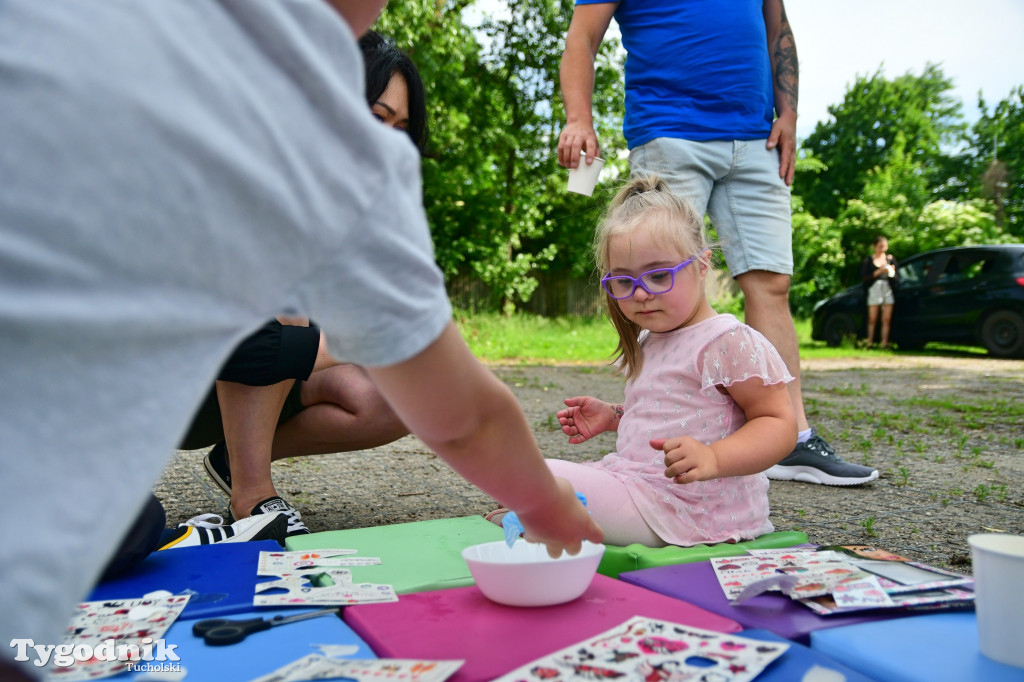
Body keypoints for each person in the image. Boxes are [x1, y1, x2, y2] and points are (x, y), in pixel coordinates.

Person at [0, 2, 601, 680]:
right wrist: (548, 508)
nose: (389, 137)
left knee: (133, 523)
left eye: (402, 127)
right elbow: (461, 415)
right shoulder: (330, 150)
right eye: (380, 119)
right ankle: (246, 489)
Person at [556, 0, 878, 486]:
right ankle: (658, 430)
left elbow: (779, 30)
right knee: (657, 282)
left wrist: (789, 112)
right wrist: (579, 117)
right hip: (669, 129)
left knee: (772, 283)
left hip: (757, 137)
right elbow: (582, 35)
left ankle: (791, 439)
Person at [181, 31, 430, 536]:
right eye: (376, 118)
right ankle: (253, 497)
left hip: (263, 367)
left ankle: (237, 456)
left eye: (399, 129)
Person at [489, 175, 797, 547]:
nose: (641, 294)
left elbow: (778, 422)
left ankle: (544, 517)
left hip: (692, 507)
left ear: (702, 265)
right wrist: (615, 416)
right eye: (623, 282)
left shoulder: (727, 341)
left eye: (659, 275)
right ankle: (543, 516)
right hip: (641, 486)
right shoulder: (651, 338)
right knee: (522, 477)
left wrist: (713, 457)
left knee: (541, 478)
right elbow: (673, 412)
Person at [860, 235, 897, 348]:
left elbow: (897, 277)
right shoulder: (869, 260)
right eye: (880, 246)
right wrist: (879, 272)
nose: (882, 249)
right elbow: (864, 278)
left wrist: (891, 272)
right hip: (874, 288)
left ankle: (884, 343)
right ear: (874, 247)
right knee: (872, 318)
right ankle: (869, 342)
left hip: (887, 289)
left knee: (886, 319)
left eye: (884, 246)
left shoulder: (890, 259)